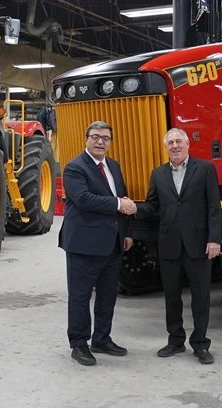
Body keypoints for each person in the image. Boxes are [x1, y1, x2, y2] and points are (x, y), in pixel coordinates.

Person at [133, 128, 222, 365]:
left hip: (198, 244)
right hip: (169, 245)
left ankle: (200, 344)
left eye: (178, 141)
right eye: (170, 142)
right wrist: (133, 208)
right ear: (166, 147)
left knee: (200, 297)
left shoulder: (205, 169)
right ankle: (175, 341)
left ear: (187, 144)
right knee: (172, 297)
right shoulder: (158, 174)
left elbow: (214, 207)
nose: (175, 146)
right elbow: (152, 205)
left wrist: (214, 239)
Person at [58, 120, 137, 366]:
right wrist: (118, 204)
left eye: (105, 138)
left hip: (112, 243)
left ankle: (101, 339)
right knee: (80, 297)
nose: (100, 142)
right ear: (86, 139)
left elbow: (121, 196)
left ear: (110, 142)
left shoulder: (113, 166)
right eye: (95, 137)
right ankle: (79, 344)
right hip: (83, 245)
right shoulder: (74, 167)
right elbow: (83, 199)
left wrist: (126, 232)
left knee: (107, 296)